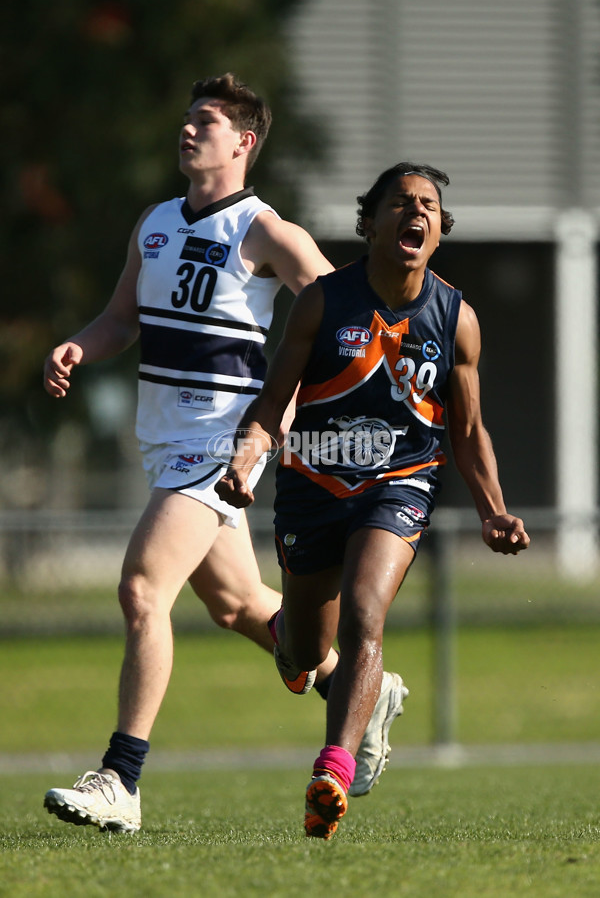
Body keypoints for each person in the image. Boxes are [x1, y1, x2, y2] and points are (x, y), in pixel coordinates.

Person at [41, 74, 408, 833]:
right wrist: (80, 344)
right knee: (237, 606)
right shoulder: (155, 223)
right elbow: (121, 319)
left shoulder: (266, 230)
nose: (188, 130)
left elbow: (342, 319)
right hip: (165, 442)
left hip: (221, 442)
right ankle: (361, 690)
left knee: (144, 588)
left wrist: (276, 429)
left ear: (243, 142)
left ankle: (121, 780)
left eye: (205, 121)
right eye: (186, 118)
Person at [216, 161, 531, 840]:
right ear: (370, 222)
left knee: (367, 614)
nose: (415, 213)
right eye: (399, 202)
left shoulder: (456, 318)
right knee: (303, 652)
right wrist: (246, 465)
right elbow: (273, 406)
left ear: (439, 231)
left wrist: (493, 509)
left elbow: (467, 431)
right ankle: (326, 671)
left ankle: (332, 771)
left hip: (400, 484)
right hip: (312, 485)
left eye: (428, 206)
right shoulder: (324, 302)